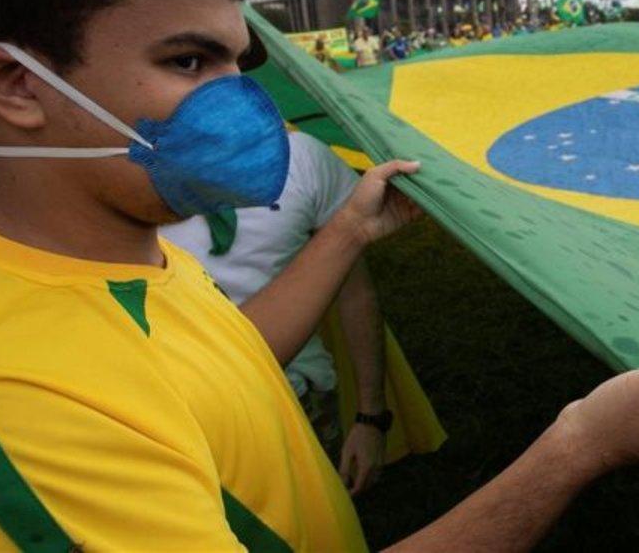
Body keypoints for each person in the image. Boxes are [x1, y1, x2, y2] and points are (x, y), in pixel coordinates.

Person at [0, 0, 639, 551]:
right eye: (188, 62)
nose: (246, 103)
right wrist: (577, 448)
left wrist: (348, 232)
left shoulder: (119, 258)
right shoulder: (2, 394)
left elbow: (221, 369)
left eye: (235, 63)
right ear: (10, 84)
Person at [161, 130, 444, 495]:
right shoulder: (117, 174)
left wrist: (371, 418)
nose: (218, 78)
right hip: (176, 419)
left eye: (232, 67)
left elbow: (355, 294)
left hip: (298, 401)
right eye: (184, 67)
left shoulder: (302, 157)